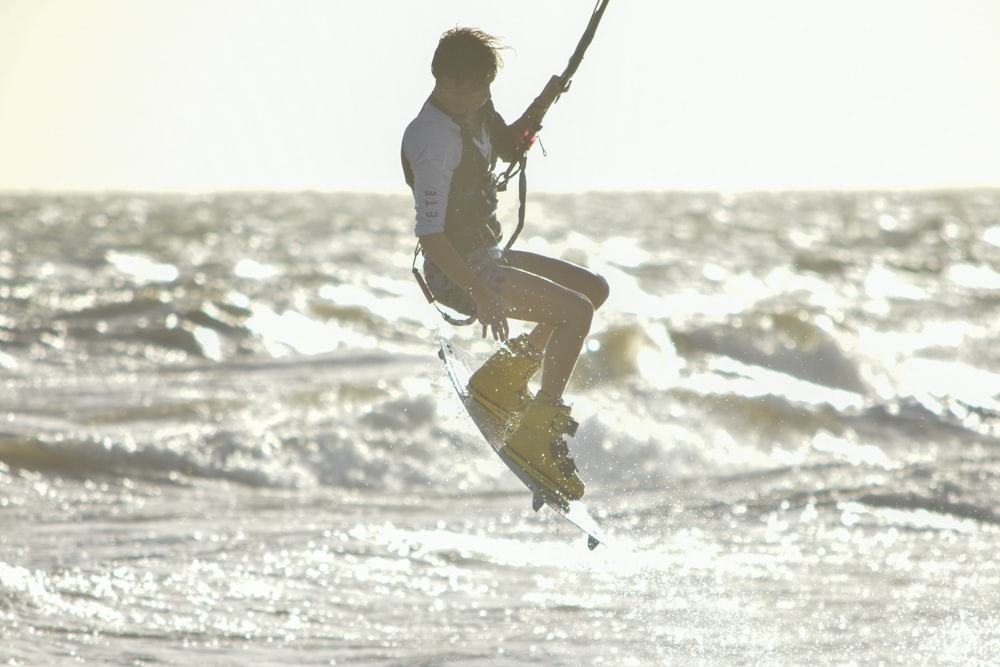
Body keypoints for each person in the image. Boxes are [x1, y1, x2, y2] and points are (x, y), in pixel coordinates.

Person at [401, 27, 608, 501]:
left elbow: (510, 147)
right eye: (476, 89)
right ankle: (540, 428)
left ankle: (505, 375)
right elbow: (431, 236)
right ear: (446, 81)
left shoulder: (475, 110)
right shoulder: (430, 137)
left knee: (593, 290)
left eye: (488, 89)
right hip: (459, 272)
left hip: (489, 255)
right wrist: (477, 290)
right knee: (576, 312)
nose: (483, 98)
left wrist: (545, 98)